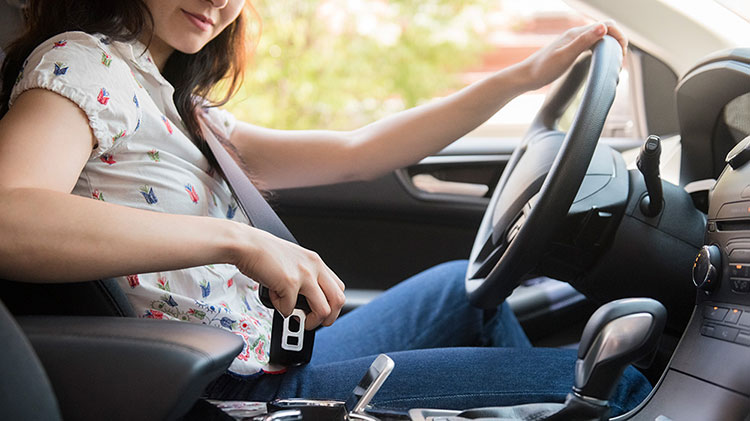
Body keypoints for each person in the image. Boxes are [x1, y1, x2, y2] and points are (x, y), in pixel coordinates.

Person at [0, 0, 649, 415]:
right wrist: (241, 242)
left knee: (462, 291)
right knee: (613, 386)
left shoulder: (179, 106)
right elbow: (10, 217)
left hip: (266, 353)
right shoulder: (83, 64)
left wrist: (519, 77)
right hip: (228, 390)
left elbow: (357, 150)